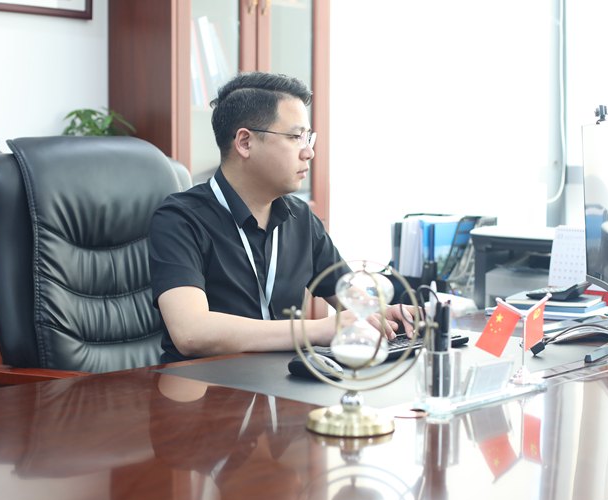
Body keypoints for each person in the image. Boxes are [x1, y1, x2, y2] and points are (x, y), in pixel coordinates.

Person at [149, 72, 414, 360]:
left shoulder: (301, 218)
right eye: (296, 137)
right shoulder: (180, 219)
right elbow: (191, 332)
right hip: (203, 383)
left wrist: (385, 314)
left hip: (283, 380)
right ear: (245, 142)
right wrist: (316, 329)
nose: (309, 152)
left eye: (308, 138)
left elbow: (350, 300)